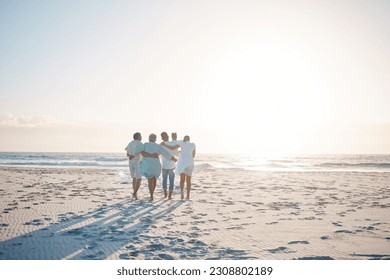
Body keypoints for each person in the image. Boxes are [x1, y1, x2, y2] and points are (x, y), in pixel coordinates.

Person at [133, 133, 177, 201]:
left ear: (149, 139)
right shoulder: (158, 146)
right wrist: (173, 159)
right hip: (156, 165)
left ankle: (151, 196)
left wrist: (131, 155)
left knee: (150, 181)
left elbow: (139, 151)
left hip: (147, 165)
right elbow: (166, 154)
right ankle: (152, 194)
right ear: (155, 139)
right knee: (154, 180)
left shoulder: (145, 145)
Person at [125, 132, 158, 200]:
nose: (141, 137)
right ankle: (134, 193)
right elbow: (143, 153)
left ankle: (135, 194)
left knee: (134, 177)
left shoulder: (130, 143)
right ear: (138, 137)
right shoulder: (140, 143)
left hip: (130, 162)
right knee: (139, 178)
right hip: (137, 162)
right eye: (141, 136)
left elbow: (128, 154)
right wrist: (151, 155)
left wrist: (131, 155)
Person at [162, 135, 196, 200]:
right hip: (190, 163)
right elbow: (193, 155)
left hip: (183, 163)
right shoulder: (193, 144)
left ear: (184, 139)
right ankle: (188, 195)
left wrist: (164, 145)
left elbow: (172, 148)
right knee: (188, 180)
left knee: (182, 179)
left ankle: (182, 193)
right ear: (189, 139)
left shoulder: (181, 143)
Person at [160, 132, 179, 199]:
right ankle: (170, 195)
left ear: (162, 138)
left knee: (164, 180)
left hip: (164, 165)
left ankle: (165, 193)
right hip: (171, 165)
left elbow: (158, 154)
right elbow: (177, 154)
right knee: (171, 180)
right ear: (168, 136)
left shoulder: (161, 145)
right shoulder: (172, 144)